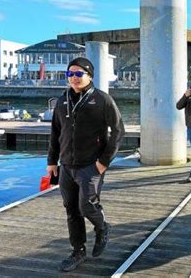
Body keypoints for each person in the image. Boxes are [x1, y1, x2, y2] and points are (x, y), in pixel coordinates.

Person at [47, 57, 125, 272]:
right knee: (71, 209)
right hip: (66, 166)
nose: (74, 78)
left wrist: (103, 162)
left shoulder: (102, 100)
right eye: (70, 74)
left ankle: (102, 228)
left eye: (79, 73)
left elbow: (118, 131)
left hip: (91, 165)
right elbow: (55, 132)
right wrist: (52, 161)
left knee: (86, 206)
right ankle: (78, 250)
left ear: (89, 75)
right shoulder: (62, 101)